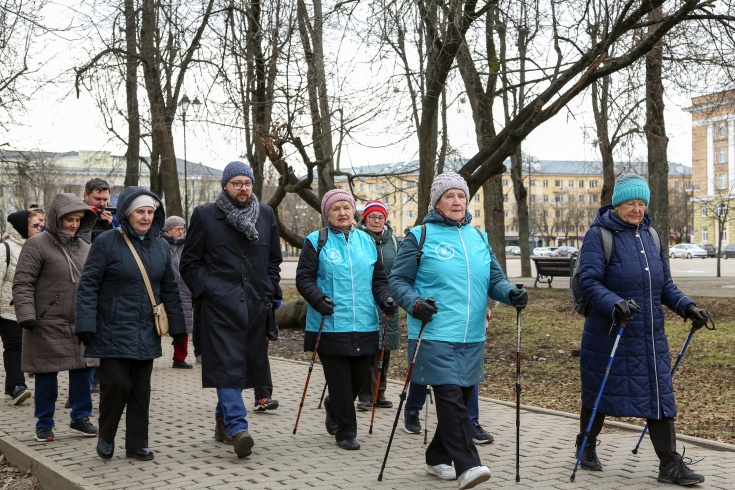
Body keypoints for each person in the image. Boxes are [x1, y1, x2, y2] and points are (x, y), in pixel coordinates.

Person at [389, 172, 527, 489]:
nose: (456, 201)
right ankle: (469, 465)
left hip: (472, 335)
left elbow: (495, 280)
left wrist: (511, 295)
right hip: (435, 332)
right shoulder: (420, 236)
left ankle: (437, 456)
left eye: (461, 196)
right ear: (437, 202)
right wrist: (415, 303)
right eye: (449, 196)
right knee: (450, 398)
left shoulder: (479, 238)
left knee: (460, 403)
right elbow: (397, 281)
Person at [575, 174, 709, 486]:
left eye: (641, 203)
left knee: (660, 394)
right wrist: (615, 303)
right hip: (611, 332)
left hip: (650, 336)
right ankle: (586, 443)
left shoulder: (652, 236)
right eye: (630, 203)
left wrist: (688, 307)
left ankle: (669, 464)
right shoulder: (600, 235)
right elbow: (589, 282)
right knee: (600, 392)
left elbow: (664, 287)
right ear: (617, 204)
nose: (637, 209)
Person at [180, 161, 282, 459]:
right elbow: (189, 263)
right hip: (219, 309)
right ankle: (239, 428)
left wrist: (270, 287)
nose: (243, 188)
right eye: (236, 183)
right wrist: (211, 291)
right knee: (227, 366)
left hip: (254, 307)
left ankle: (223, 421)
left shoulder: (265, 215)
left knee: (243, 368)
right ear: (225, 185)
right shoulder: (206, 215)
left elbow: (274, 260)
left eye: (247, 183)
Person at [75, 186, 186, 461]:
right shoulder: (106, 242)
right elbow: (88, 284)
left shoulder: (160, 245)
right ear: (127, 213)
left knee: (140, 390)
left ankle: (136, 444)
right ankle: (106, 435)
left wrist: (179, 327)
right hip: (111, 328)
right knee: (116, 385)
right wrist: (86, 322)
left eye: (150, 212)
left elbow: (169, 288)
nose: (146, 217)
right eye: (140, 212)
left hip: (146, 329)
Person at [296, 189, 396, 451]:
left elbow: (378, 280)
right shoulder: (315, 241)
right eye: (335, 209)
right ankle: (346, 432)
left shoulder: (368, 242)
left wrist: (385, 299)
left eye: (346, 208)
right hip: (330, 323)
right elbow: (304, 279)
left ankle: (334, 406)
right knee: (339, 380)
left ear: (354, 212)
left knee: (360, 377)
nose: (342, 213)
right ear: (327, 214)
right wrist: (318, 300)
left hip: (365, 321)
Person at [11, 195, 99, 442]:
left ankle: (80, 418)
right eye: (69, 219)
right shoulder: (37, 244)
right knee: (46, 374)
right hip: (45, 322)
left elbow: (94, 284)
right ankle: (44, 423)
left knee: (83, 370)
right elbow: (23, 282)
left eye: (78, 220)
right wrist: (26, 314)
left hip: (80, 321)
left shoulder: (86, 248)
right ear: (56, 218)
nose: (74, 224)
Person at [355, 200, 399, 411]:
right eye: (372, 216)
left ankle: (379, 393)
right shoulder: (358, 239)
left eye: (380, 217)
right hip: (366, 299)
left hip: (389, 300)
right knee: (369, 347)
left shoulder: (394, 241)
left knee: (385, 347)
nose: (376, 220)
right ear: (365, 219)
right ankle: (365, 395)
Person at [1, 210, 41, 405]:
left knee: (22, 347)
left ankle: (11, 387)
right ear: (21, 227)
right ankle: (18, 387)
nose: (39, 228)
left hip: (32, 308)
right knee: (15, 347)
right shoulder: (5, 249)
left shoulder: (36, 247)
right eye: (35, 225)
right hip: (8, 310)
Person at [82, 177, 115, 394]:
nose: (102, 203)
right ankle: (83, 384)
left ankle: (101, 378)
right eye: (97, 198)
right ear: (86, 196)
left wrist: (110, 226)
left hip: (108, 282)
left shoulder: (112, 217)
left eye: (105, 198)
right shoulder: (76, 216)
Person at [160, 216, 193, 369]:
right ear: (168, 230)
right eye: (177, 229)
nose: (181, 231)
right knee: (158, 322)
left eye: (182, 228)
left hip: (185, 290)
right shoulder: (160, 244)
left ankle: (179, 358)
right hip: (164, 289)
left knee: (184, 325)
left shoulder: (188, 245)